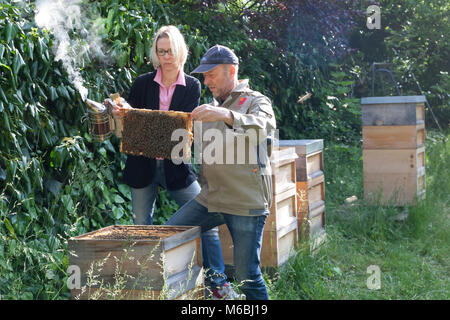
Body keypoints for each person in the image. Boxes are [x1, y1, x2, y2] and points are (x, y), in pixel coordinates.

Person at [111, 27, 234, 297]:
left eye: (170, 51)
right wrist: (124, 113)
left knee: (208, 221)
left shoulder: (192, 85)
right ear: (155, 53)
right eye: (160, 51)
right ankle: (146, 285)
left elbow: (180, 127)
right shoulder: (142, 82)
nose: (165, 57)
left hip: (176, 167)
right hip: (141, 165)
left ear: (180, 51)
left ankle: (219, 284)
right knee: (142, 226)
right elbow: (132, 124)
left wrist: (140, 117)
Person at [165, 44, 276, 300]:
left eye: (211, 74)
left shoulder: (255, 101)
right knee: (170, 233)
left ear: (232, 71)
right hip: (211, 198)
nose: (206, 81)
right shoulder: (209, 107)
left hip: (245, 201)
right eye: (204, 76)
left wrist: (225, 114)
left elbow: (265, 127)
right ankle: (213, 289)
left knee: (248, 276)